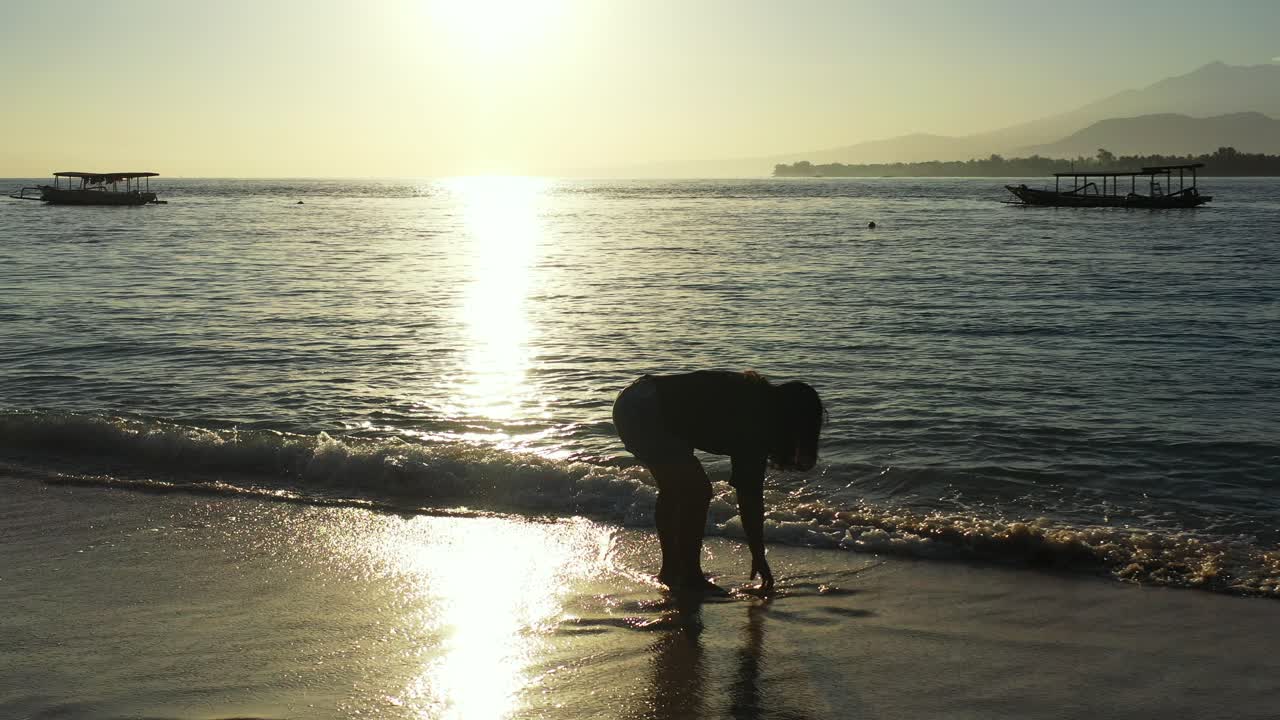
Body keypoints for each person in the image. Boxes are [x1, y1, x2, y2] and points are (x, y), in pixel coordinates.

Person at [612, 370, 826, 592]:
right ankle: (690, 577)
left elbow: (749, 493)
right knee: (697, 492)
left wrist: (757, 553)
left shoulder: (756, 400)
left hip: (634, 399)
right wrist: (758, 555)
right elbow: (749, 496)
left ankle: (672, 570)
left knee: (674, 490)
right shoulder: (755, 419)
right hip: (645, 411)